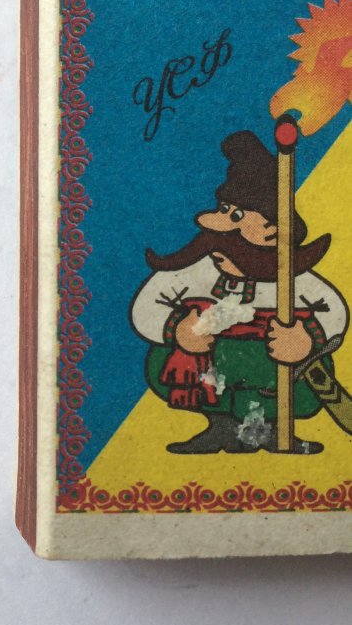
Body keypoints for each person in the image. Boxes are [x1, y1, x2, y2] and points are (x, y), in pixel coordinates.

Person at [130, 131, 347, 453]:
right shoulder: (195, 269)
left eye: (236, 216)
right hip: (212, 362)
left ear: (271, 231)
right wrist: (178, 330)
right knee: (164, 356)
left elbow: (333, 312)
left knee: (310, 368)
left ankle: (271, 429)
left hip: (271, 365)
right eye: (223, 208)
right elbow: (149, 304)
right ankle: (220, 428)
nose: (213, 224)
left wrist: (305, 339)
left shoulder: (294, 278)